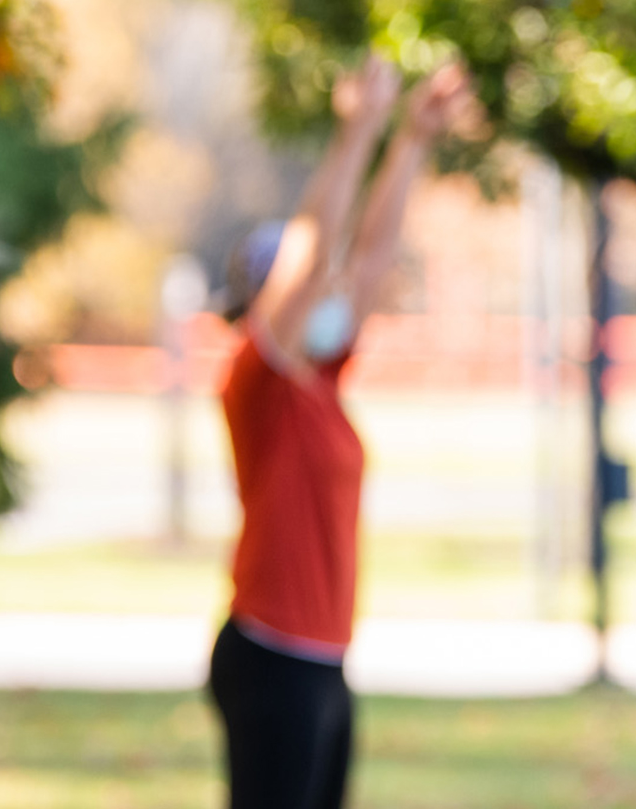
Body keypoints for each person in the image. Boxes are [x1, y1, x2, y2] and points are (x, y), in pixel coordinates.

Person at [209, 55, 480, 809]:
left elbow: (369, 258)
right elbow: (314, 255)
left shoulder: (321, 382)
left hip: (323, 659)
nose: (333, 292)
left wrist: (412, 139)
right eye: (310, 288)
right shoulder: (256, 382)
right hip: (272, 655)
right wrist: (357, 131)